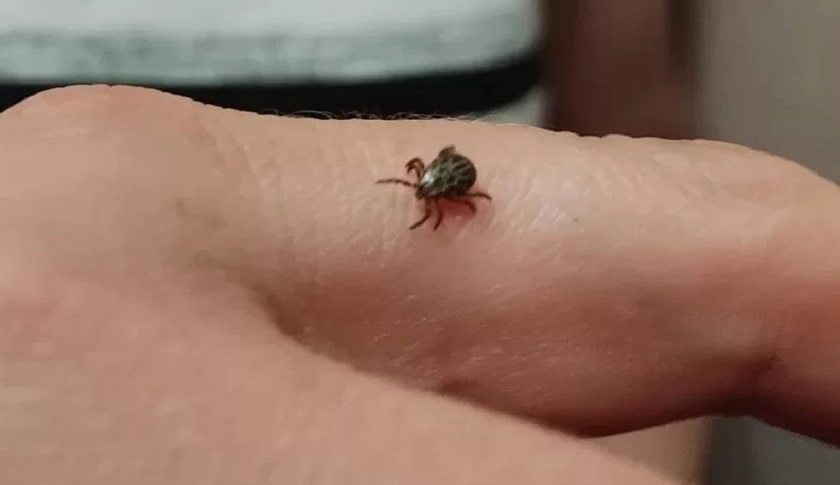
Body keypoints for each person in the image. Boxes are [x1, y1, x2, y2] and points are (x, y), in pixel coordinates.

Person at [2, 84, 838, 484]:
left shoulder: (447, 192)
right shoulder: (446, 188)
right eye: (432, 190)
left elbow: (622, 122)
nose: (432, 196)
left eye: (433, 192)